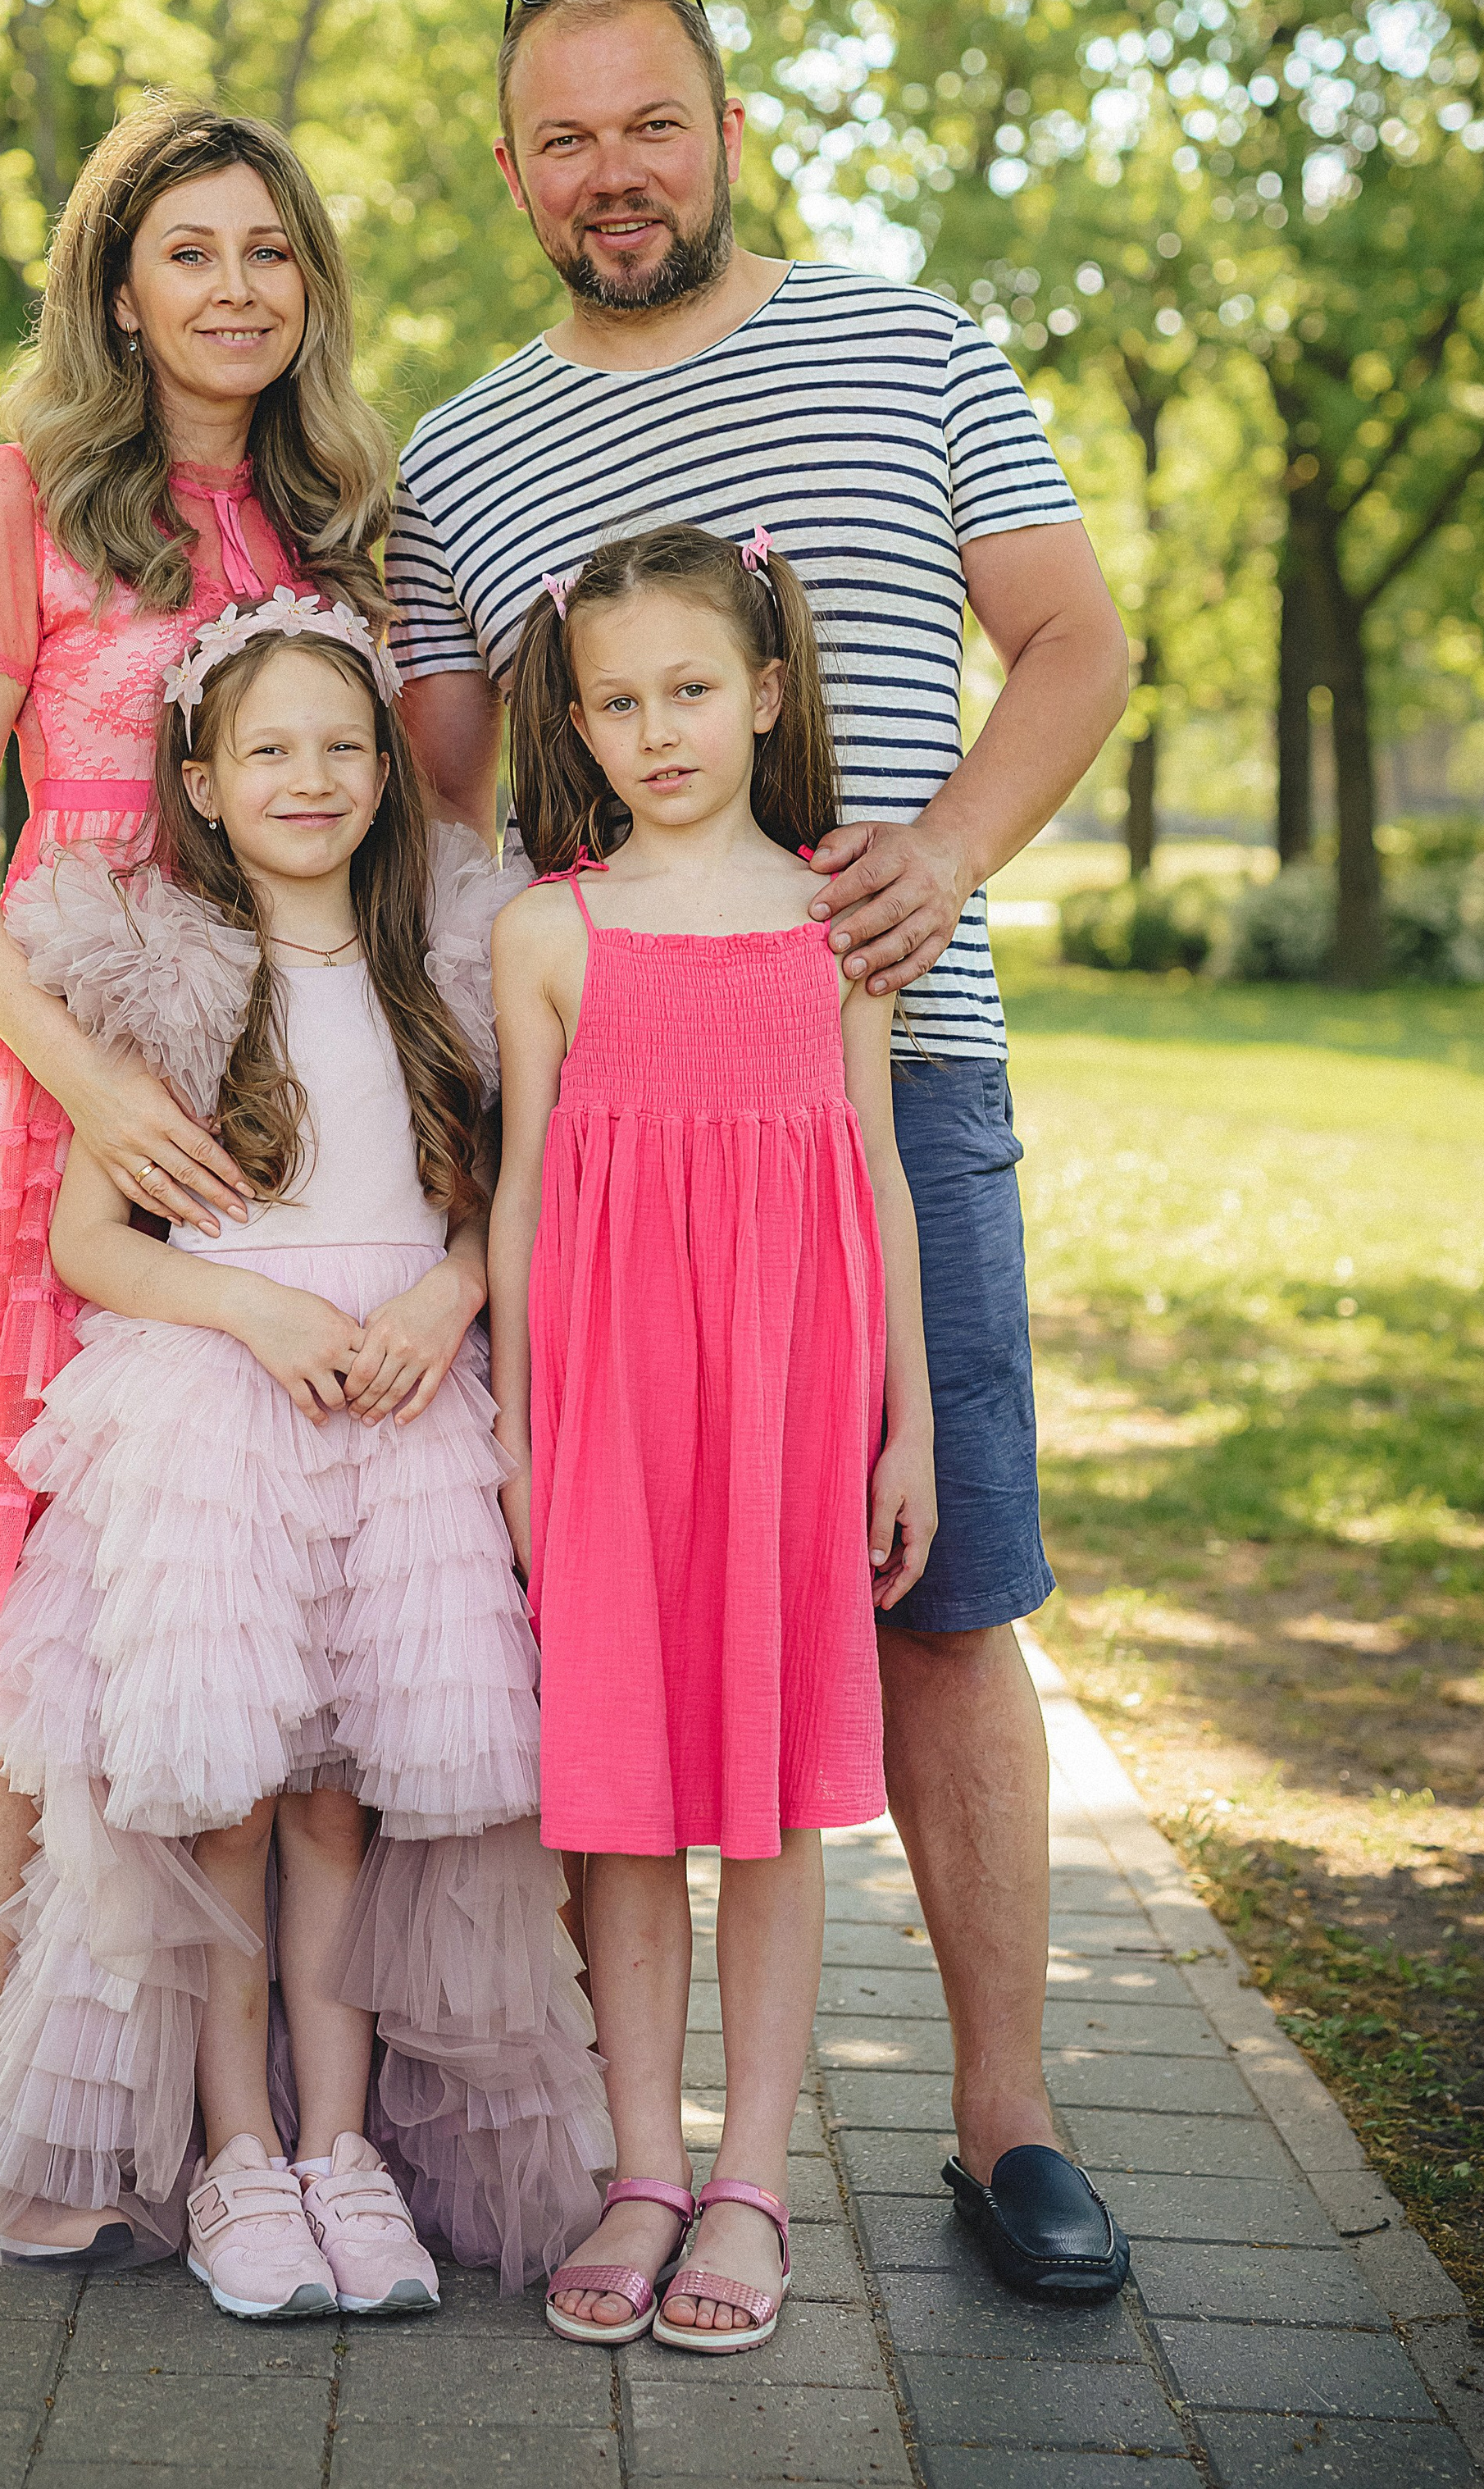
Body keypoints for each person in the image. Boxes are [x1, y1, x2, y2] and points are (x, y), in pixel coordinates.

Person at [386, 0, 1136, 2304]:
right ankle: (642, 2147)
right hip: (613, 1105)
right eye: (567, 136)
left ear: (725, 122)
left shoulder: (916, 346)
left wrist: (951, 851)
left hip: (878, 1065)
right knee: (628, 1622)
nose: (617, 169)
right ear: (513, 170)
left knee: (941, 1582)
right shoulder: (459, 450)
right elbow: (435, 775)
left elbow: (1078, 640)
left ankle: (1001, 2115)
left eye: (654, 120)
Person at [0, 589, 608, 2307]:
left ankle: (339, 2148)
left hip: (396, 1418)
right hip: (221, 1416)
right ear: (204, 783)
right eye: (268, 750)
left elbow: (491, 1201)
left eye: (342, 746)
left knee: (340, 1804)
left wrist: (452, 1299)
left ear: (388, 769)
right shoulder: (161, 973)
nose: (311, 776)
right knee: (221, 1802)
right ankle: (235, 2152)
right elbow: (94, 1244)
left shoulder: (446, 959)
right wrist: (257, 1315)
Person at [0, 100, 394, 2261]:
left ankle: (270, 2106)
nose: (234, 289)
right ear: (121, 285)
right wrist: (87, 1086)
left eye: (270, 250)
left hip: (292, 1108)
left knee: (268, 1592)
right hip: (75, 1094)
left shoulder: (343, 522)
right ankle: (2, 2095)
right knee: (33, 1602)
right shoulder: (20, 503)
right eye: (189, 251)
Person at [489, 523, 937, 2350]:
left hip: (785, 1403)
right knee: (616, 1803)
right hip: (610, 1412)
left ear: (761, 692)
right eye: (616, 701)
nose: (656, 728)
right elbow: (520, 1199)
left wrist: (905, 1427)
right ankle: (639, 2164)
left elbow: (880, 1179)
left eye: (689, 689)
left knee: (759, 1798)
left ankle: (751, 2177)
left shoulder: (838, 920)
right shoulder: (550, 929)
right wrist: (519, 1434)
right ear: (575, 722)